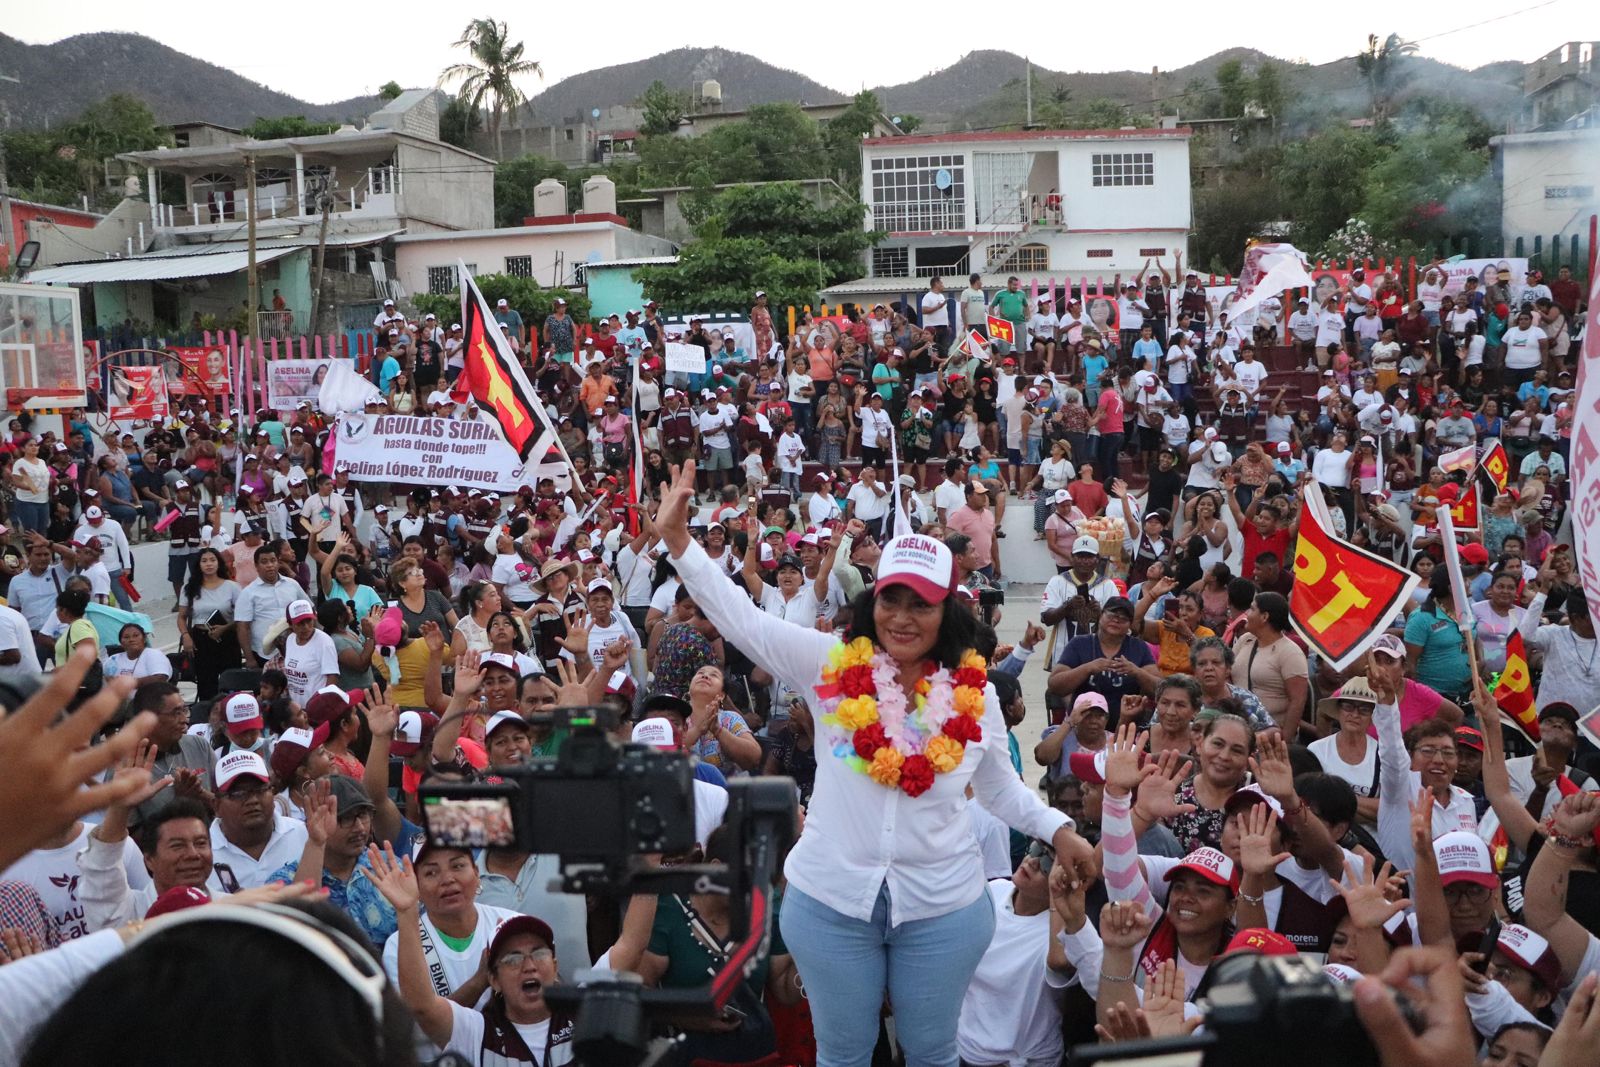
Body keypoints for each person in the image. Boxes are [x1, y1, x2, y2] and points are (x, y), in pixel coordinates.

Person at [653, 459, 1093, 1067]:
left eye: (922, 604)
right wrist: (680, 544)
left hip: (943, 907)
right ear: (871, 600)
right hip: (832, 902)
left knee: (933, 1053)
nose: (903, 618)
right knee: (844, 1054)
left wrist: (1058, 829)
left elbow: (1000, 790)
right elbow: (746, 622)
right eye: (892, 599)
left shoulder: (978, 693)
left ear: (949, 612)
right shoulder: (829, 664)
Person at [1230, 592, 1309, 738]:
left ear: (1264, 617)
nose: (1246, 613)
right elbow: (1226, 672)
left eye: (1252, 609)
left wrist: (1285, 740)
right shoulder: (1245, 640)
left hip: (1270, 735)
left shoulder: (1290, 653)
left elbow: (1297, 701)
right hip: (1237, 731)